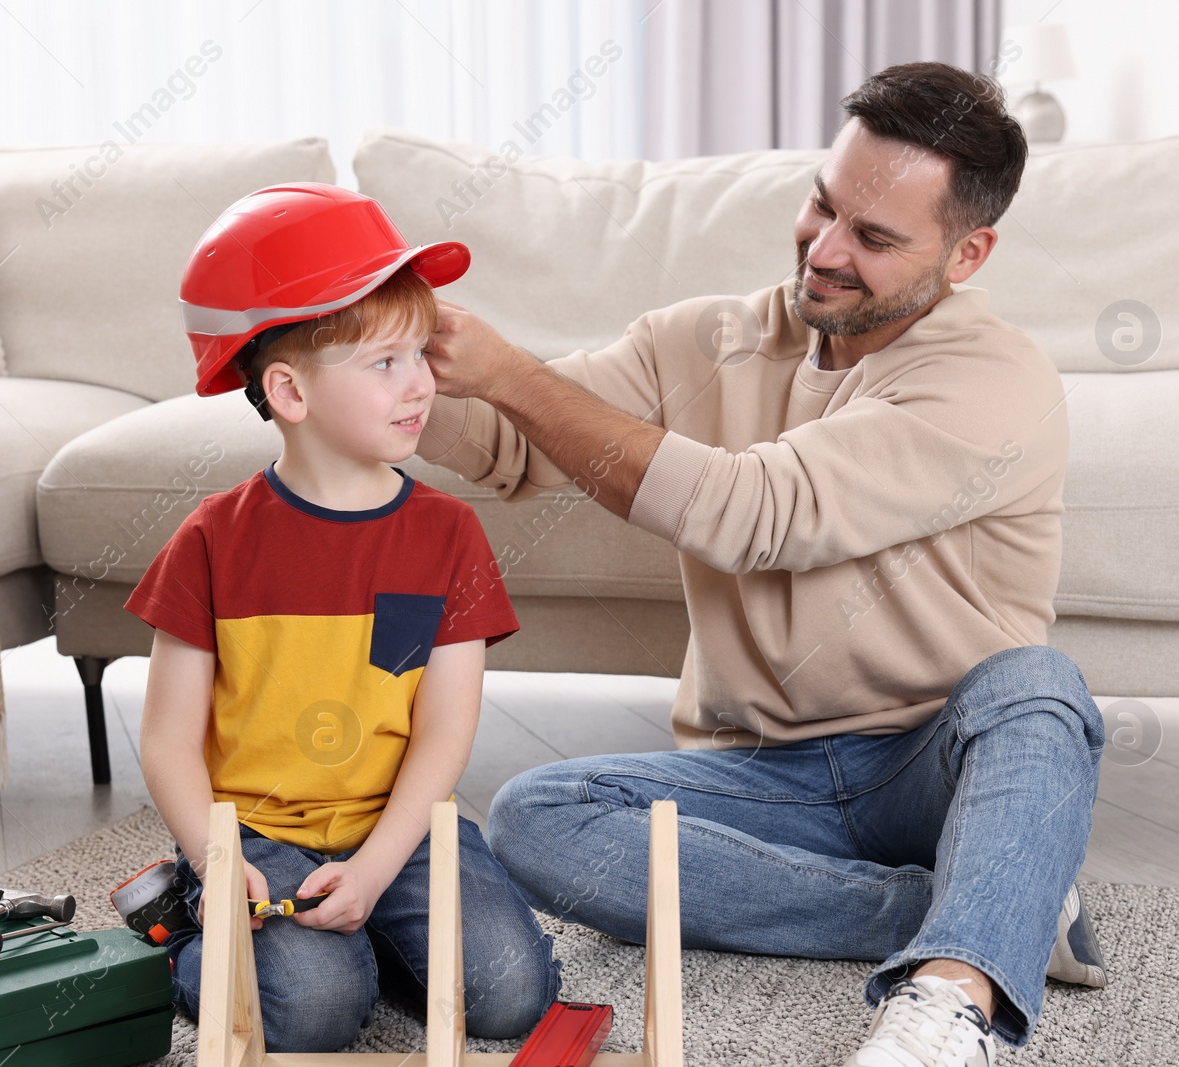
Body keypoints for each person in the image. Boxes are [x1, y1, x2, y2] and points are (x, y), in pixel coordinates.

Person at [417, 63, 1105, 1067]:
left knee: (1038, 689)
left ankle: (953, 999)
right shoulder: (707, 337)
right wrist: (364, 360)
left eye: (872, 238)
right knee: (536, 815)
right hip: (755, 773)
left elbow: (753, 512)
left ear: (966, 252)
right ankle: (976, 906)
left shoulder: (991, 380)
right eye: (821, 206)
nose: (823, 250)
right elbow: (514, 437)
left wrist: (513, 369)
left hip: (929, 762)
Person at [127, 184, 560, 1053]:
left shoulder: (450, 533)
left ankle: (366, 931)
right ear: (288, 390)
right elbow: (168, 740)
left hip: (399, 821)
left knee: (512, 993)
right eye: (384, 363)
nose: (421, 383)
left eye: (419, 355)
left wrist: (374, 866)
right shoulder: (211, 539)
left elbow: (444, 729)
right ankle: (178, 928)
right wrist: (219, 862)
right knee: (314, 1013)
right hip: (258, 834)